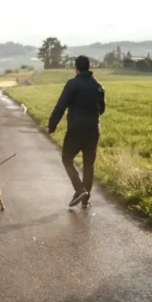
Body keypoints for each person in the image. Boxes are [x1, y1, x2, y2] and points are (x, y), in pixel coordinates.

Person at [47, 55, 105, 208]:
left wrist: (52, 125)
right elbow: (102, 109)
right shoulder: (98, 86)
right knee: (88, 165)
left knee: (67, 159)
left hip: (75, 130)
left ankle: (79, 190)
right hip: (93, 131)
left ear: (76, 68)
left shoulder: (73, 84)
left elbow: (61, 105)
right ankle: (85, 199)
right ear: (90, 66)